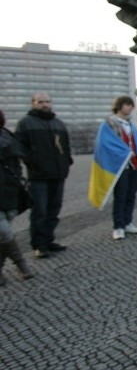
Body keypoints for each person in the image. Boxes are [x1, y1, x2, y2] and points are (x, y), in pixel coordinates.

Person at [15, 92, 73, 258]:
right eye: (41, 102)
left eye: (47, 101)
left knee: (54, 209)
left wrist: (66, 163)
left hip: (58, 173)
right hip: (38, 175)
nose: (45, 105)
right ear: (33, 103)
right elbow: (20, 147)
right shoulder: (26, 123)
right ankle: (39, 244)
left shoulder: (58, 124)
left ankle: (49, 240)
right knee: (40, 211)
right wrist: (31, 162)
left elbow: (66, 146)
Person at [90, 97, 137, 240]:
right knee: (120, 196)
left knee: (131, 195)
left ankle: (128, 222)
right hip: (119, 166)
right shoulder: (108, 125)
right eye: (128, 105)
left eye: (131, 106)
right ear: (119, 106)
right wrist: (126, 153)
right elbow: (105, 145)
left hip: (134, 165)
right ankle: (118, 227)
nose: (130, 108)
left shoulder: (131, 125)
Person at [0, 110, 35, 285]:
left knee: (3, 236)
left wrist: (21, 181)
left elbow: (16, 164)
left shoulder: (8, 137)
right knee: (4, 233)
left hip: (9, 191)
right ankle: (22, 265)